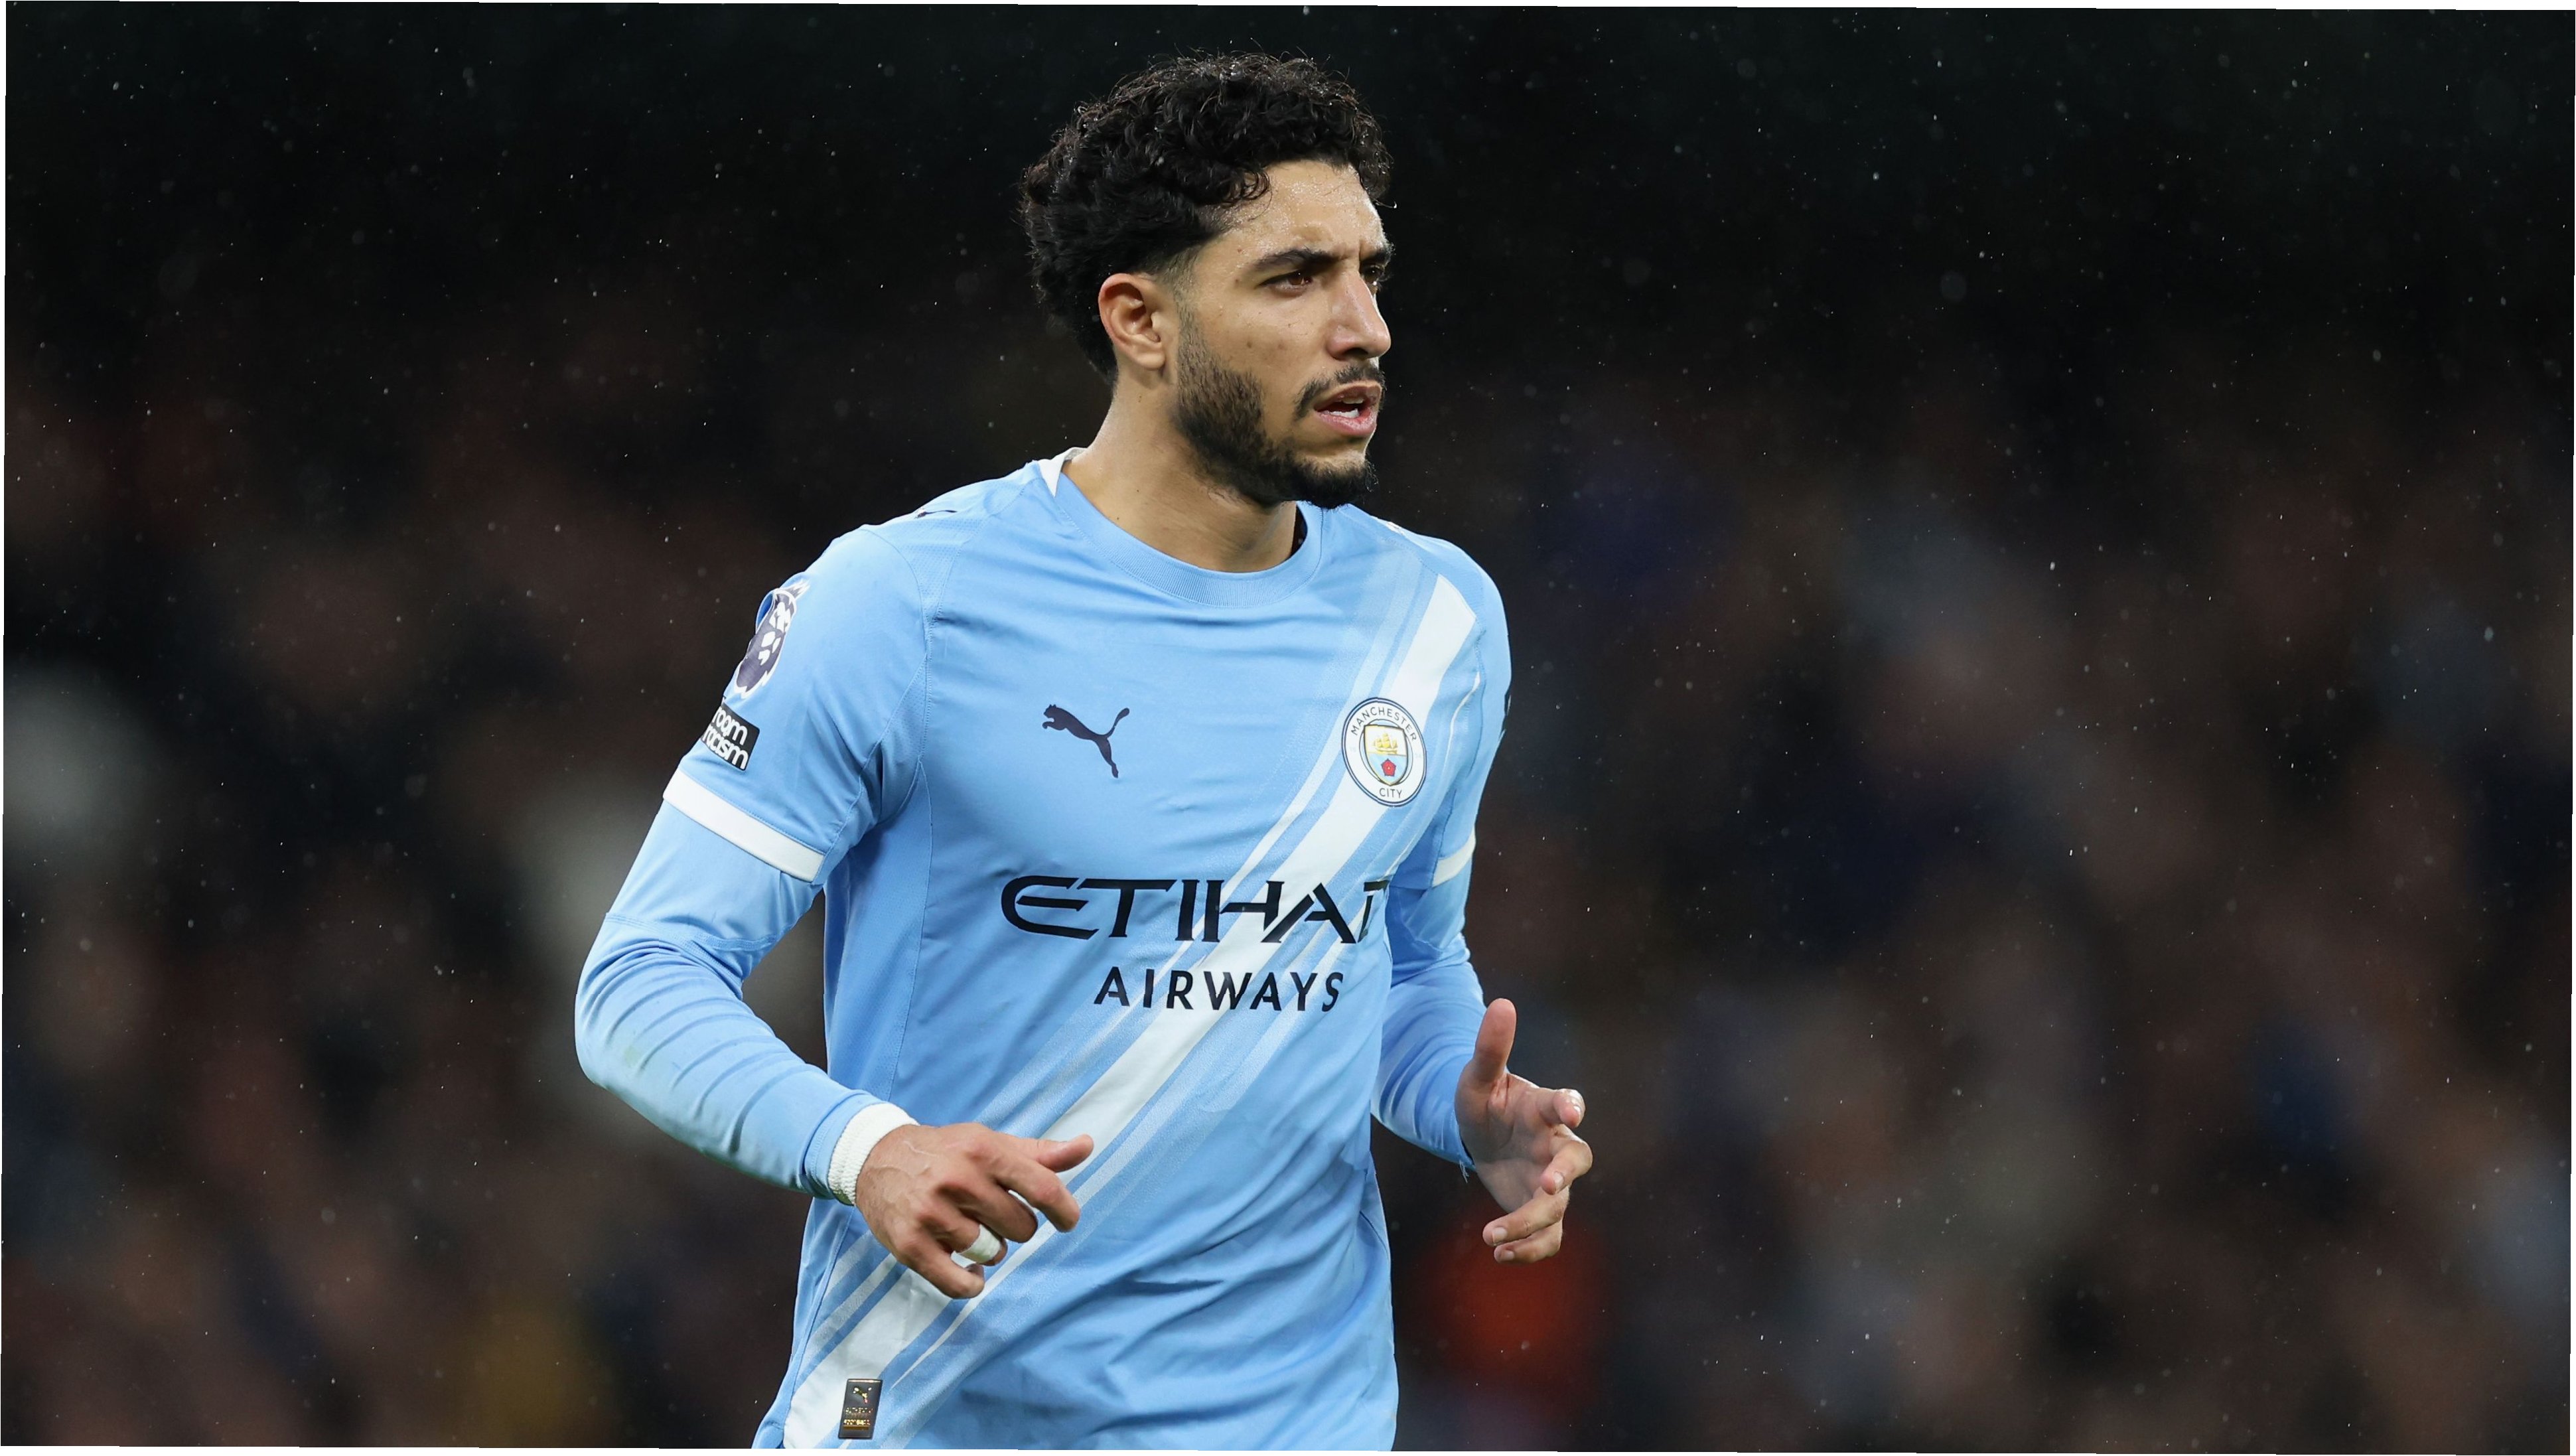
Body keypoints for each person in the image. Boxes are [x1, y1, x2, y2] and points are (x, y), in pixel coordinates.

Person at [576, 51, 1592, 1448]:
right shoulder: (903, 605)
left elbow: (1403, 965)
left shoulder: (1438, 621)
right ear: (1140, 319)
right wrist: (865, 1147)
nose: (1363, 326)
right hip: (946, 1412)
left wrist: (1458, 1106)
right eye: (1294, 279)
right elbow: (637, 982)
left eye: (1370, 273)